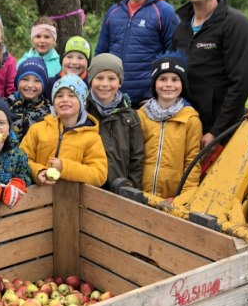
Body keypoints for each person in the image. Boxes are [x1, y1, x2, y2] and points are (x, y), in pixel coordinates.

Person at [171, 0, 248, 152]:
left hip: (215, 131)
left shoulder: (236, 25)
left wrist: (218, 132)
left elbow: (241, 84)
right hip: (186, 124)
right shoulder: (180, 24)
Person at [94, 0, 180, 106]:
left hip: (147, 101)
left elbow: (173, 56)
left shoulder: (164, 11)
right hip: (111, 97)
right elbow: (101, 53)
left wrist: (153, 93)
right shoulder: (113, 11)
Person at [20, 75, 108, 187]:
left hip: (74, 200)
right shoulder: (37, 129)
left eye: (72, 96)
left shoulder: (92, 138)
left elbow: (99, 175)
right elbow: (22, 159)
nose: (65, 100)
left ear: (82, 102)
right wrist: (38, 171)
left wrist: (64, 167)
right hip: (40, 200)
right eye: (59, 96)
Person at [137, 55, 202, 199]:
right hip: (140, 193)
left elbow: (193, 161)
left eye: (175, 79)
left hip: (171, 198)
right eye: (162, 79)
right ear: (154, 83)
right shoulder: (141, 115)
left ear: (183, 84)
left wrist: (183, 197)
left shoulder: (190, 120)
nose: (168, 84)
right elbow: (133, 156)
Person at [86, 54, 145, 189]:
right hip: (87, 186)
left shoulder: (129, 116)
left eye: (111, 78)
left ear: (119, 82)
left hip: (118, 187)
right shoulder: (83, 111)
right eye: (99, 78)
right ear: (91, 80)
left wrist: (131, 184)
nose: (105, 84)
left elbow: (137, 156)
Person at [7, 56, 51, 139]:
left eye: (37, 81)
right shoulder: (5, 105)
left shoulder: (49, 112)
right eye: (25, 79)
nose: (30, 85)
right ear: (17, 81)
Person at [45, 36, 92, 100]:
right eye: (69, 57)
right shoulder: (49, 84)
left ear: (88, 62)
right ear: (62, 59)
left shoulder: (92, 85)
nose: (74, 62)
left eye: (80, 58)